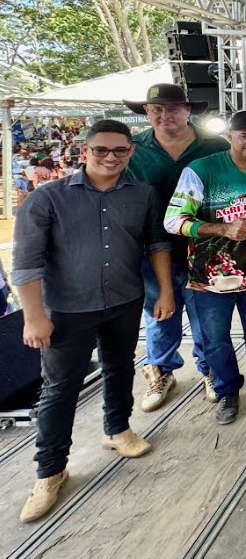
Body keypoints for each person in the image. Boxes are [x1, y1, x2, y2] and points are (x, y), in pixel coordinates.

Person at [13, 120, 173, 523]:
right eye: (101, 149)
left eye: (120, 150)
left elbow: (156, 244)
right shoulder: (47, 199)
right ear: (84, 151)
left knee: (120, 368)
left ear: (131, 152)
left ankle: (118, 429)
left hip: (124, 299)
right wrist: (34, 317)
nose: (110, 157)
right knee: (60, 388)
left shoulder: (142, 194)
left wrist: (166, 291)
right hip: (67, 309)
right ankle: (50, 471)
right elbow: (26, 264)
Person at [164, 110, 246, 426]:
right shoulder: (202, 170)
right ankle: (226, 392)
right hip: (209, 278)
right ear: (229, 136)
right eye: (244, 135)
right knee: (215, 339)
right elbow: (173, 221)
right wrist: (222, 229)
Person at [124, 83, 230, 410]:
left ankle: (210, 368)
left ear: (188, 110)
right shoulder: (132, 148)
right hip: (151, 248)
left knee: (206, 315)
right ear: (146, 111)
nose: (164, 115)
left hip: (205, 247)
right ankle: (161, 370)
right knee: (159, 314)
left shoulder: (215, 145)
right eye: (156, 109)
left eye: (172, 109)